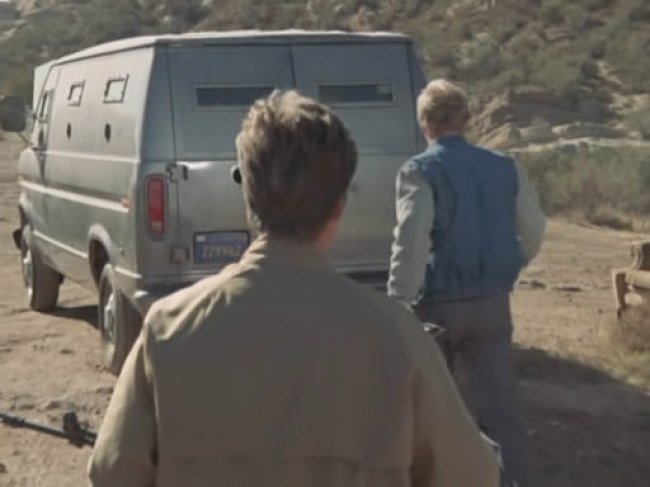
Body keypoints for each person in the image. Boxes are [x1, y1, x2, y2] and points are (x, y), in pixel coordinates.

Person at [88, 90, 500, 487]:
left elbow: (111, 471)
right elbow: (470, 474)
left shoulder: (168, 327)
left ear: (249, 198)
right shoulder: (395, 333)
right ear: (338, 206)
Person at [388, 79, 546, 487]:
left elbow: (411, 240)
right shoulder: (504, 166)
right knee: (500, 410)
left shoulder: (419, 171)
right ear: (466, 119)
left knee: (431, 409)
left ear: (425, 123)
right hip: (492, 303)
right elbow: (533, 228)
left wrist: (398, 301)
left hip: (437, 306)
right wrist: (508, 265)